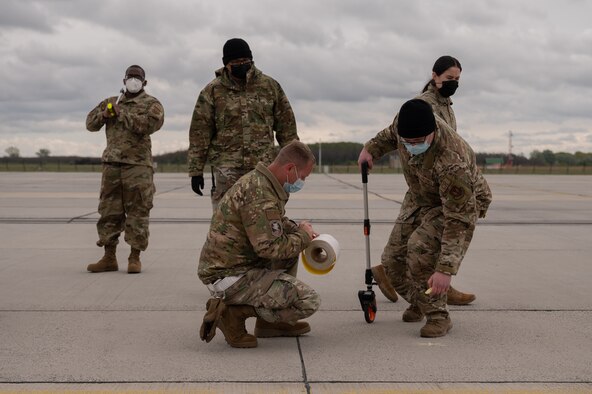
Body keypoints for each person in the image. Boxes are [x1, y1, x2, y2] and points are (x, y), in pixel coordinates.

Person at [358, 99, 492, 337]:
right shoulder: (404, 124)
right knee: (391, 260)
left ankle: (438, 316)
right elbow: (389, 135)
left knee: (419, 251)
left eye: (419, 142)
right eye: (407, 142)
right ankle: (422, 301)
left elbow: (458, 220)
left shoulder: (453, 161)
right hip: (422, 194)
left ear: (432, 132)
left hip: (458, 204)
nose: (411, 146)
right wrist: (370, 149)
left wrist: (445, 269)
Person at [360, 55, 478, 306]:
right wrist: (371, 148)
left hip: (443, 189)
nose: (453, 83)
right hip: (421, 190)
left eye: (457, 79)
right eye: (449, 78)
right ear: (434, 76)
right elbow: (394, 132)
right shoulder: (422, 106)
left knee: (426, 244)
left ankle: (438, 287)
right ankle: (414, 284)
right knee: (406, 248)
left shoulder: (445, 104)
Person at [198, 140, 320, 348]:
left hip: (235, 265)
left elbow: (272, 227)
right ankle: (232, 313)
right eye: (303, 176)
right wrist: (304, 237)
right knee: (308, 300)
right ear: (290, 168)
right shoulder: (260, 194)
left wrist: (296, 229)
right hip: (229, 276)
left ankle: (270, 324)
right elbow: (269, 248)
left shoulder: (263, 183)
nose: (301, 182)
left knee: (291, 249)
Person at [188, 38, 299, 210]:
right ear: (226, 64)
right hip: (228, 171)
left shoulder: (269, 87)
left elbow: (287, 128)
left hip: (263, 167)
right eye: (236, 62)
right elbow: (199, 133)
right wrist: (196, 171)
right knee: (226, 223)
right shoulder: (212, 91)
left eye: (245, 62)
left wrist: (295, 162)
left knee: (264, 220)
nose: (242, 65)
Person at [85, 65, 164, 274]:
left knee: (138, 212)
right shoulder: (111, 101)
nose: (134, 80)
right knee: (109, 212)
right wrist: (104, 114)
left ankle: (134, 258)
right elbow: (90, 124)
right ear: (124, 80)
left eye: (138, 78)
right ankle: (109, 257)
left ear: (144, 82)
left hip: (138, 167)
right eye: (131, 77)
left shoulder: (152, 104)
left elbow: (149, 126)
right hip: (112, 165)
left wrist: (122, 115)